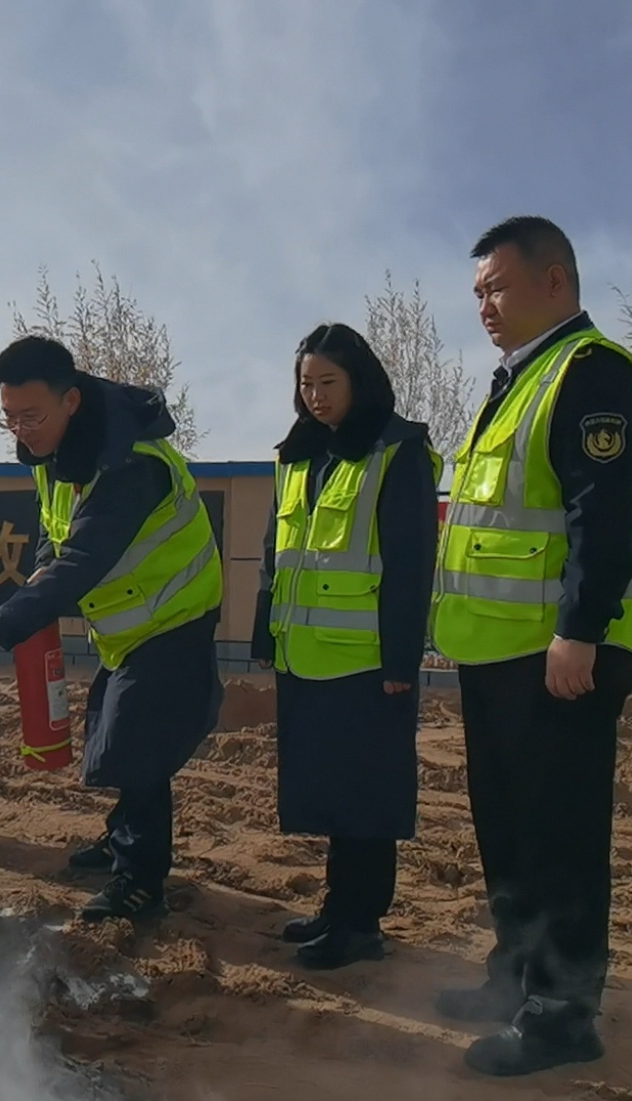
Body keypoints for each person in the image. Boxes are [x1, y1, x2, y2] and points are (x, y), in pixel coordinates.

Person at [430, 216, 632, 1077]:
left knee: (558, 834)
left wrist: (579, 629)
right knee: (507, 828)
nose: (484, 304)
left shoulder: (592, 372)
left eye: (497, 287)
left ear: (555, 281)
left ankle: (561, 1013)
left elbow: (606, 513)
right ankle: (513, 974)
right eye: (477, 292)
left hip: (560, 653)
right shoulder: (515, 380)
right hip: (499, 652)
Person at [0, 336, 223, 923]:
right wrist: (41, 569)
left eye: (31, 416)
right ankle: (123, 839)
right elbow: (57, 536)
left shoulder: (130, 465)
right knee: (114, 731)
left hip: (175, 615)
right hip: (129, 624)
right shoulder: (57, 451)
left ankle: (141, 882)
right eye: (9, 417)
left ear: (70, 400)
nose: (20, 430)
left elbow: (84, 559)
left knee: (136, 745)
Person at [251, 323, 440, 970]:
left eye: (327, 382)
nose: (315, 395)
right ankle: (338, 907)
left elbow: (411, 561)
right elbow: (275, 552)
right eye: (306, 383)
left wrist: (401, 658)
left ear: (360, 380)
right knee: (331, 792)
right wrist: (264, 631)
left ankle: (362, 923)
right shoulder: (299, 453)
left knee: (367, 795)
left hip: (367, 661)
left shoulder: (397, 449)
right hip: (305, 652)